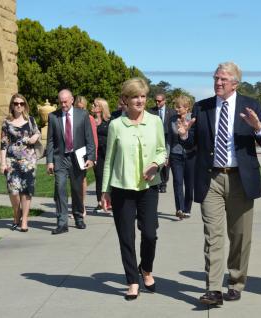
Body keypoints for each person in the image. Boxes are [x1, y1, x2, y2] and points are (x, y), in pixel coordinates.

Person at [178, 62, 261, 305]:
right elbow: (193, 147)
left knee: (240, 236)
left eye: (223, 79)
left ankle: (236, 281)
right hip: (211, 179)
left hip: (241, 179)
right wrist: (184, 135)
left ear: (235, 83)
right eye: (216, 78)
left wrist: (258, 127)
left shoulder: (250, 106)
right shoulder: (203, 107)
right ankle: (213, 289)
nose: (218, 82)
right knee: (213, 235)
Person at [101, 78, 166, 300]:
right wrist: (105, 190)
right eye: (134, 96)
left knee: (149, 234)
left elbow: (162, 150)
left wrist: (156, 165)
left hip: (148, 188)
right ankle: (132, 280)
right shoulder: (116, 125)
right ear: (125, 100)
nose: (139, 100)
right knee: (126, 237)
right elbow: (109, 159)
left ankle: (146, 268)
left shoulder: (155, 121)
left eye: (143, 96)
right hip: (122, 188)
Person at [46, 89, 95, 235]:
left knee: (77, 189)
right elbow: (50, 140)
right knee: (60, 188)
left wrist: (91, 157)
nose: (63, 104)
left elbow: (89, 138)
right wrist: (49, 161)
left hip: (78, 158)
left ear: (72, 100)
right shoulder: (53, 116)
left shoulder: (83, 115)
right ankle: (62, 223)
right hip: (60, 158)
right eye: (60, 102)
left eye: (65, 102)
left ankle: (79, 217)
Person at [0, 94, 41, 232]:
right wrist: (3, 163)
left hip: (28, 161)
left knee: (26, 190)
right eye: (16, 103)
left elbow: (37, 133)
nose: (19, 106)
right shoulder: (6, 123)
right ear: (12, 105)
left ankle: (24, 220)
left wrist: (34, 137)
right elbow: (4, 145)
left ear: (25, 105)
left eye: (21, 103)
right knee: (13, 191)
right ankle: (16, 214)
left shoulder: (30, 120)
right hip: (12, 161)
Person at [167, 95, 195, 219]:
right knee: (177, 182)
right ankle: (180, 209)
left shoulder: (193, 119)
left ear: (187, 107)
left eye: (178, 107)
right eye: (175, 106)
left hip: (191, 155)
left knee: (189, 184)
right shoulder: (172, 119)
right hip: (175, 155)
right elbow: (169, 140)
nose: (176, 109)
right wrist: (166, 156)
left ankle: (187, 208)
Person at [74, 95, 98, 217]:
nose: (80, 110)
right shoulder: (71, 118)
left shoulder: (89, 118)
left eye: (82, 108)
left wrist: (93, 157)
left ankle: (81, 207)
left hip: (83, 154)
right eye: (78, 108)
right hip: (71, 153)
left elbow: (93, 139)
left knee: (81, 180)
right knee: (73, 182)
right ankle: (76, 206)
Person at [148, 93, 175, 193]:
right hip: (154, 140)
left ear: (164, 101)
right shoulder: (151, 111)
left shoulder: (172, 112)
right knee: (156, 162)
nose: (157, 102)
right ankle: (157, 182)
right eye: (156, 100)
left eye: (159, 101)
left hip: (167, 140)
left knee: (165, 164)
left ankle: (164, 183)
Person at [91, 98, 110, 212]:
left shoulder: (109, 120)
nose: (92, 106)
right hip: (96, 153)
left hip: (107, 152)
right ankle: (99, 202)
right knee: (99, 177)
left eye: (95, 105)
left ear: (101, 107)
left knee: (108, 177)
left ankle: (109, 201)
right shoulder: (91, 121)